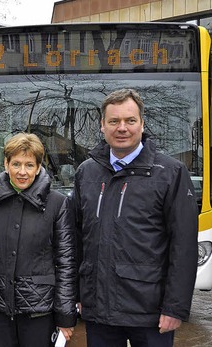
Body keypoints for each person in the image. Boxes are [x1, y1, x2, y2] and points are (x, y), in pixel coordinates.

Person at [72, 88, 199, 347]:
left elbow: (183, 246)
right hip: (98, 310)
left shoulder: (170, 173)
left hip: (150, 313)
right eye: (114, 121)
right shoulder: (86, 172)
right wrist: (75, 294)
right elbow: (75, 239)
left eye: (130, 120)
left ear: (142, 123)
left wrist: (175, 308)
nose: (122, 128)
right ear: (102, 126)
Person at [0, 133, 77, 346]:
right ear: (6, 164)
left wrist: (65, 315)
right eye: (16, 164)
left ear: (38, 167)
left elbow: (65, 262)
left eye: (29, 165)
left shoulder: (57, 204)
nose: (22, 172)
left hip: (39, 312)